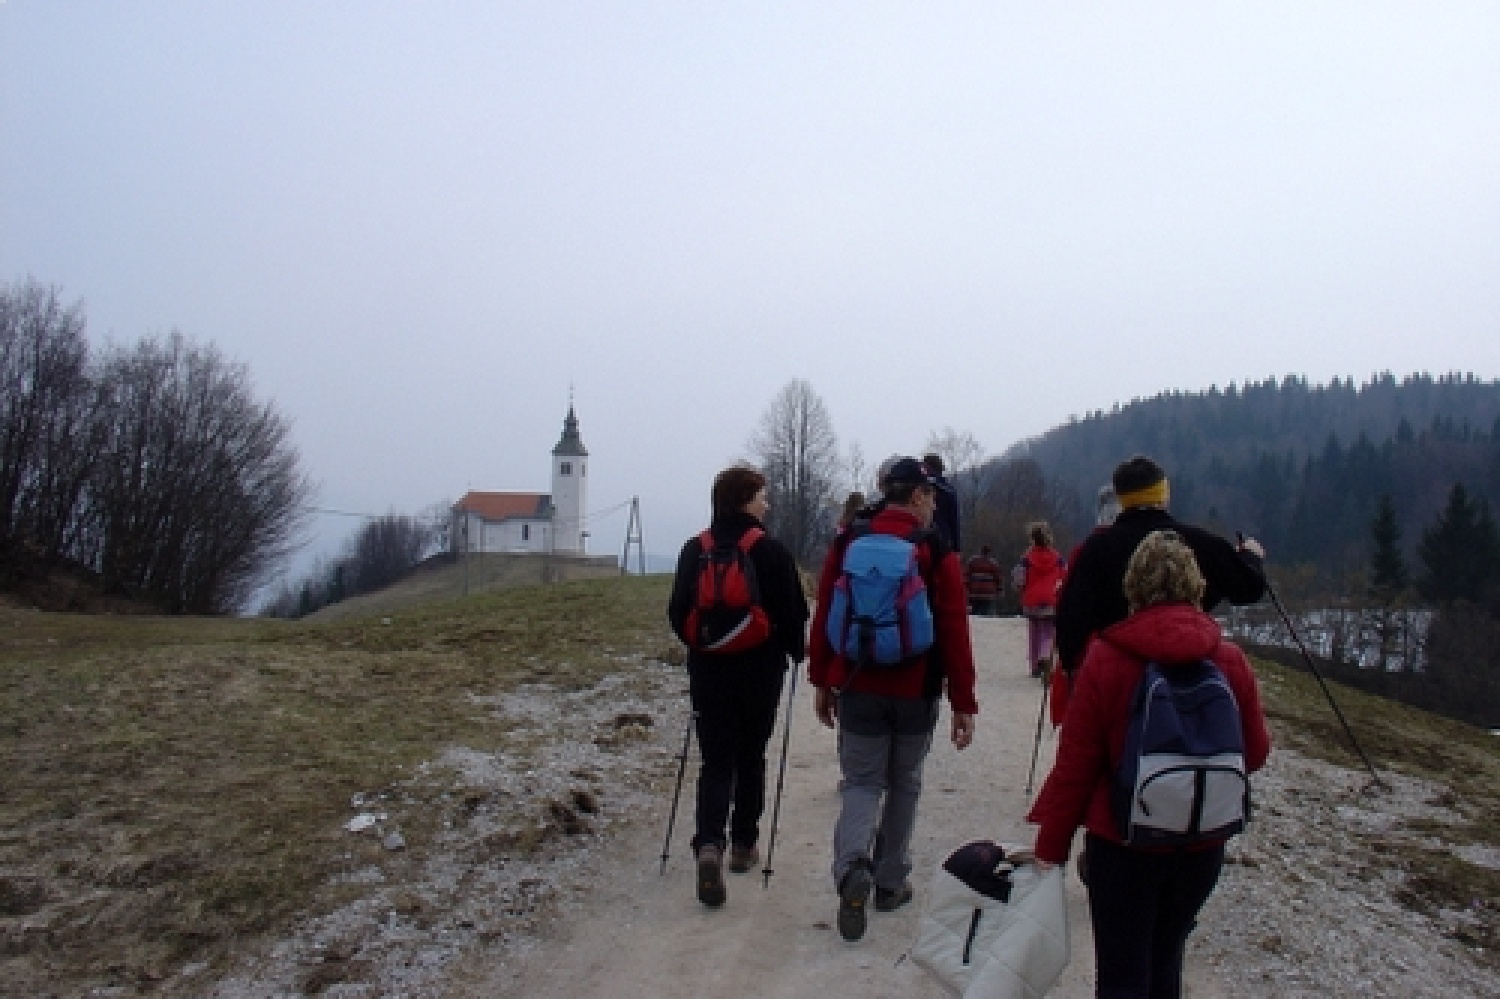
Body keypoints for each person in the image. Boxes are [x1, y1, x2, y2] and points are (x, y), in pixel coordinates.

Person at [1027, 530, 1272, 998]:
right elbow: (1254, 756)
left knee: (1122, 975)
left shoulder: (1106, 658)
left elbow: (1076, 768)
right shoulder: (1229, 660)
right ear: (1197, 585)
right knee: (1165, 965)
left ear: (1133, 588)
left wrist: (1049, 851)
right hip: (1201, 844)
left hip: (1123, 846)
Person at [807, 457, 979, 942]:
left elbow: (824, 614)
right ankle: (889, 881)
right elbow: (953, 629)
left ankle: (851, 869)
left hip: (858, 682)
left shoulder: (849, 539)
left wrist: (823, 678)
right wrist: (963, 701)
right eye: (931, 498)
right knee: (904, 782)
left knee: (861, 782)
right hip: (916, 688)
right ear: (920, 496)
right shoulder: (932, 547)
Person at [667, 465, 809, 908]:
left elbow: (677, 611)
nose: (766, 503)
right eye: (762, 496)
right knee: (751, 756)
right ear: (746, 501)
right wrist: (794, 653)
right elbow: (793, 612)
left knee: (715, 760)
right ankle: (745, 846)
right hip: (760, 672)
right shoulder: (770, 550)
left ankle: (709, 843)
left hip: (709, 672)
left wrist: (703, 644)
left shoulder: (697, 549)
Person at [1055, 455, 1267, 676]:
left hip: (1118, 672)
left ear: (1122, 498)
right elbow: (1249, 588)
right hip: (1190, 668)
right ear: (1163, 496)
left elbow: (1071, 620)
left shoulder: (1095, 549)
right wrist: (1251, 557)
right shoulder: (1200, 543)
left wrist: (1074, 669)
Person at [1015, 522, 1065, 677]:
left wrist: (1020, 587)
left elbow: (1019, 579)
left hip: (1032, 600)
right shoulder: (1057, 558)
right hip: (1051, 599)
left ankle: (1034, 665)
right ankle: (1045, 655)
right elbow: (1065, 575)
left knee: (1033, 633)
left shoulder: (1027, 558)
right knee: (1048, 632)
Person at [922, 452, 962, 553]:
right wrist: (957, 548)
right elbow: (954, 521)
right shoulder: (949, 490)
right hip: (944, 538)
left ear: (927, 467)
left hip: (923, 538)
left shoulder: (919, 487)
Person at [964, 544, 1004, 616]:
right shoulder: (993, 563)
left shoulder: (972, 561)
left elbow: (966, 575)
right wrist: (999, 590)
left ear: (980, 551)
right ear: (989, 552)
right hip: (988, 593)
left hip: (974, 591)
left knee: (973, 612)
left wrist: (966, 588)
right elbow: (998, 578)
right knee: (985, 613)